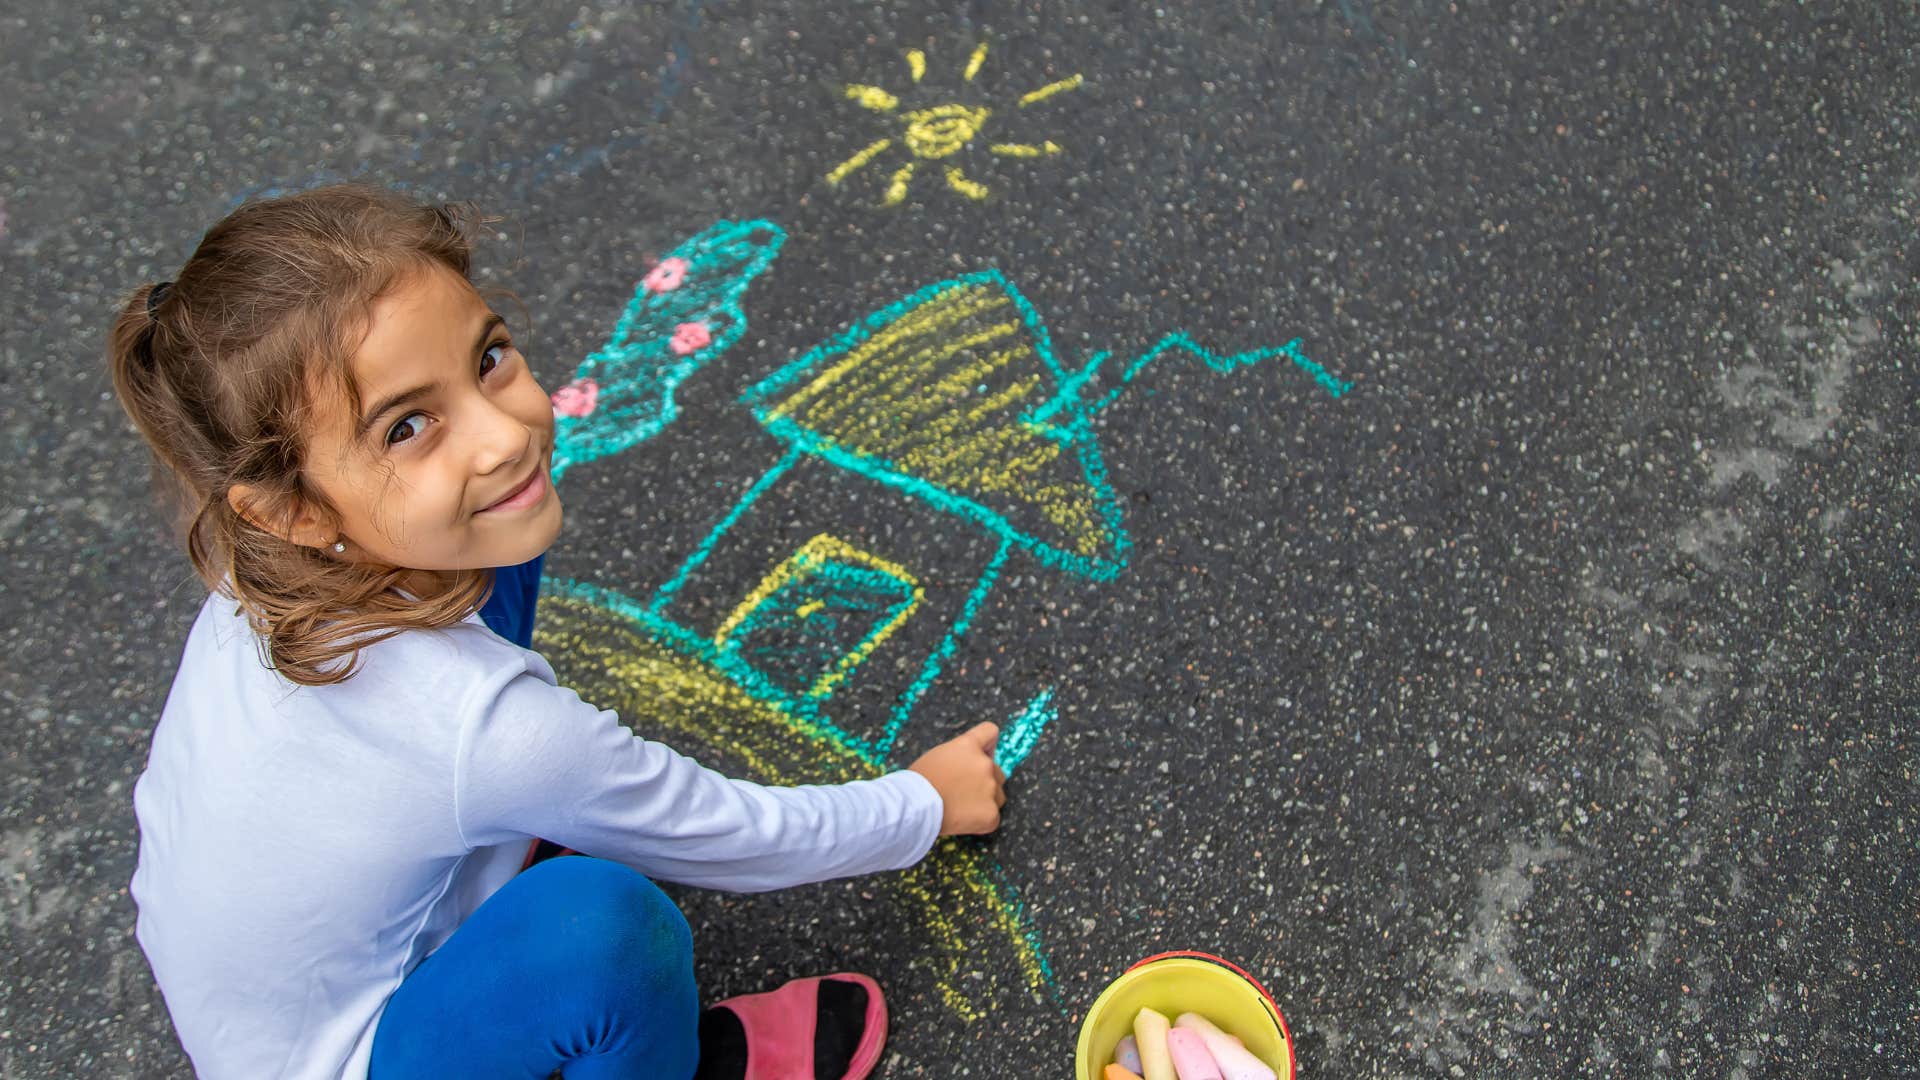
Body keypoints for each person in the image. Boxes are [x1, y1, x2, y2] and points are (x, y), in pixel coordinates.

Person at [108, 183, 1008, 1080]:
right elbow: (726, 832)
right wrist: (922, 806)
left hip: (272, 983)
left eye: (489, 357)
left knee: (494, 535)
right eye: (408, 426)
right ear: (292, 511)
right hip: (345, 1056)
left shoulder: (263, 562)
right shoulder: (483, 727)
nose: (502, 432)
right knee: (600, 928)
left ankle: (511, 869)